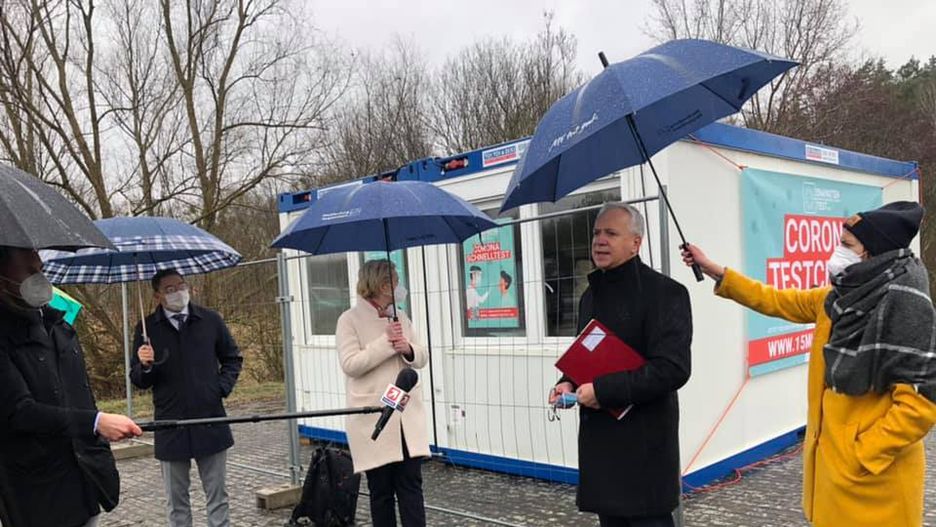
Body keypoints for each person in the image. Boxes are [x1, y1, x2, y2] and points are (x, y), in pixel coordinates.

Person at [682, 201, 936, 527]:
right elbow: (776, 299)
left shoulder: (907, 306)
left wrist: (864, 453)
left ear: (872, 254)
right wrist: (715, 271)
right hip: (833, 474)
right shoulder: (837, 299)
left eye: (846, 245)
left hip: (878, 483)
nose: (837, 252)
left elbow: (920, 404)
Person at [548, 203, 692, 527]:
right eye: (596, 233)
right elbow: (588, 355)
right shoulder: (590, 296)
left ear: (635, 243)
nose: (599, 240)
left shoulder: (665, 293)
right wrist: (568, 381)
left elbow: (672, 368)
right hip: (602, 451)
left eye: (611, 233)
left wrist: (603, 391)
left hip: (644, 452)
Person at [0, 246, 142, 527]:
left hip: (85, 480)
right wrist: (96, 422)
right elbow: (19, 411)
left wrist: (97, 443)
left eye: (41, 269)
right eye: (29, 271)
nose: (40, 278)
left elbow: (81, 395)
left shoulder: (59, 326)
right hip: (36, 493)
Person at [131, 269, 243, 527]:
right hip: (170, 423)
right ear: (157, 296)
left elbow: (232, 358)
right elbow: (138, 380)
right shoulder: (147, 329)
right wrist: (145, 365)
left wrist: (219, 388)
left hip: (210, 419)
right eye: (169, 289)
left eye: (181, 286)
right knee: (176, 502)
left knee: (218, 497)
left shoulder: (210, 320)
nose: (178, 293)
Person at [337, 259, 430, 527]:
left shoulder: (400, 316)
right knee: (381, 492)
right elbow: (350, 364)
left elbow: (422, 356)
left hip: (405, 415)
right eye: (395, 281)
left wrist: (408, 348)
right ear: (381, 285)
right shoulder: (349, 320)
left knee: (411, 488)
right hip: (374, 419)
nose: (399, 286)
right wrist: (385, 342)